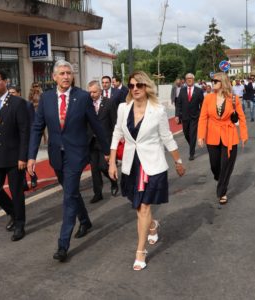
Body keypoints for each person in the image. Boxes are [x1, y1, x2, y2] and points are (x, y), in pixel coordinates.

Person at [27, 60, 110, 262]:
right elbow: (37, 128)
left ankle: (63, 244)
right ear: (54, 77)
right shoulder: (46, 99)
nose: (66, 76)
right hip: (57, 155)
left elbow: (96, 125)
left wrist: (108, 150)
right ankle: (85, 220)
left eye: (69, 73)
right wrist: (31, 156)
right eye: (62, 73)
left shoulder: (82, 97)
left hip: (76, 154)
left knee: (69, 195)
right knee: (70, 192)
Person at [108, 71, 185, 271]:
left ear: (146, 87)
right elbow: (117, 132)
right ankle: (152, 226)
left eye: (139, 85)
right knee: (136, 206)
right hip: (130, 163)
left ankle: (140, 252)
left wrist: (178, 161)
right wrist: (111, 162)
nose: (135, 89)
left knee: (143, 208)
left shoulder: (157, 110)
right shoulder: (123, 108)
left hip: (151, 164)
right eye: (132, 85)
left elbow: (167, 137)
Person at [0, 70, 29, 242]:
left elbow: (25, 132)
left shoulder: (17, 103)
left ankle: (20, 224)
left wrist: (23, 156)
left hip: (13, 156)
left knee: (16, 192)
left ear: (5, 82)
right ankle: (12, 212)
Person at [197, 72, 248, 205]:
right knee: (215, 165)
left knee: (226, 165)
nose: (212, 83)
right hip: (212, 136)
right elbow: (203, 117)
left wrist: (243, 135)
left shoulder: (233, 99)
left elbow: (241, 117)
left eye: (215, 81)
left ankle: (222, 192)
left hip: (229, 135)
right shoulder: (208, 98)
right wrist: (201, 135)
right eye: (212, 81)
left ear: (223, 83)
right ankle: (220, 178)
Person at [87, 80, 119, 203]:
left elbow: (114, 122)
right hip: (91, 141)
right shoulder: (87, 104)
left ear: (100, 91)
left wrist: (114, 141)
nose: (92, 95)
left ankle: (114, 182)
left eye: (94, 92)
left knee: (103, 166)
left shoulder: (109, 103)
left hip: (106, 141)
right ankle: (98, 193)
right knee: (94, 169)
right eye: (90, 92)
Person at [9, 86, 38, 190]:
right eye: (9, 93)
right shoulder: (8, 106)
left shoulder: (27, 105)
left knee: (25, 159)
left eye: (13, 92)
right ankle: (24, 182)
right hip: (15, 139)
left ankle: (33, 177)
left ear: (19, 93)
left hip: (27, 138)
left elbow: (33, 122)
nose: (11, 94)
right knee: (19, 161)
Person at [175, 73, 204, 161]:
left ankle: (192, 153)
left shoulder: (199, 91)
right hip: (184, 116)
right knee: (186, 133)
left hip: (195, 116)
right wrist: (177, 115)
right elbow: (178, 104)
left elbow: (202, 104)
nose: (189, 80)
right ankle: (192, 144)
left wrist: (202, 114)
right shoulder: (182, 90)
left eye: (190, 78)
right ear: (185, 80)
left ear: (193, 79)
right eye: (187, 78)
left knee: (192, 134)